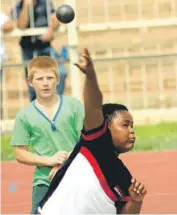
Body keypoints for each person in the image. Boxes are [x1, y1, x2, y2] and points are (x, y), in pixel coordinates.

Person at [38, 48, 147, 214]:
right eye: (125, 125)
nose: (131, 131)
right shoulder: (94, 143)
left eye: (132, 126)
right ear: (106, 126)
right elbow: (94, 106)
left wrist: (136, 201)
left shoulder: (123, 176)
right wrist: (90, 75)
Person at [10, 55, 84, 214]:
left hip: (76, 177)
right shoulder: (24, 115)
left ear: (58, 79)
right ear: (30, 82)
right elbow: (20, 153)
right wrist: (49, 160)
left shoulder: (74, 106)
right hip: (44, 181)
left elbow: (86, 141)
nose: (45, 83)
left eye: (50, 78)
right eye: (39, 79)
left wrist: (64, 163)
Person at [11, 0, 67, 101]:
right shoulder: (18, 6)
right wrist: (27, 6)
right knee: (34, 84)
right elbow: (21, 26)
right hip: (28, 49)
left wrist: (51, 30)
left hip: (45, 46)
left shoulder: (45, 3)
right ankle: (37, 111)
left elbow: (55, 19)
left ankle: (53, 103)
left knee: (61, 72)